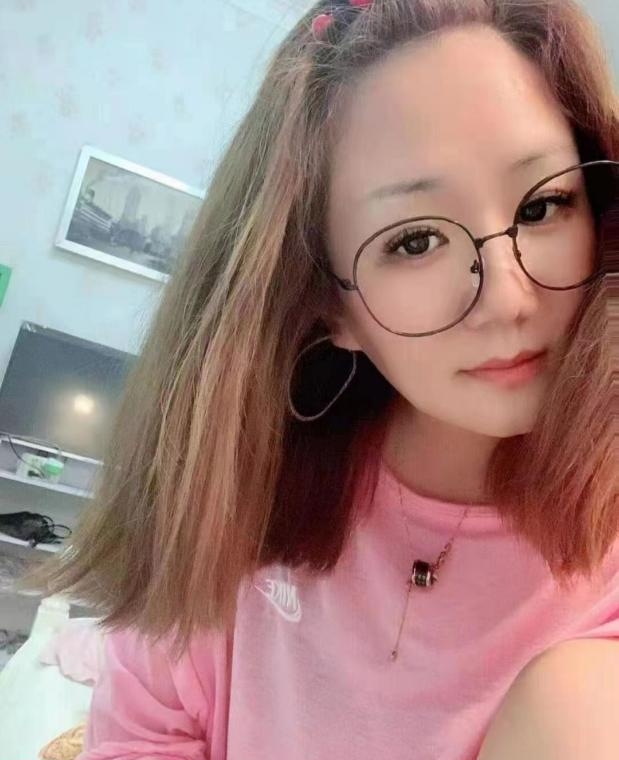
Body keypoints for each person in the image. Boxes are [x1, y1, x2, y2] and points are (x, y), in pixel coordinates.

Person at [35, 1, 619, 758]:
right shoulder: (240, 496)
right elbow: (144, 728)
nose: (508, 297)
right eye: (415, 241)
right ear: (326, 302)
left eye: (542, 205)